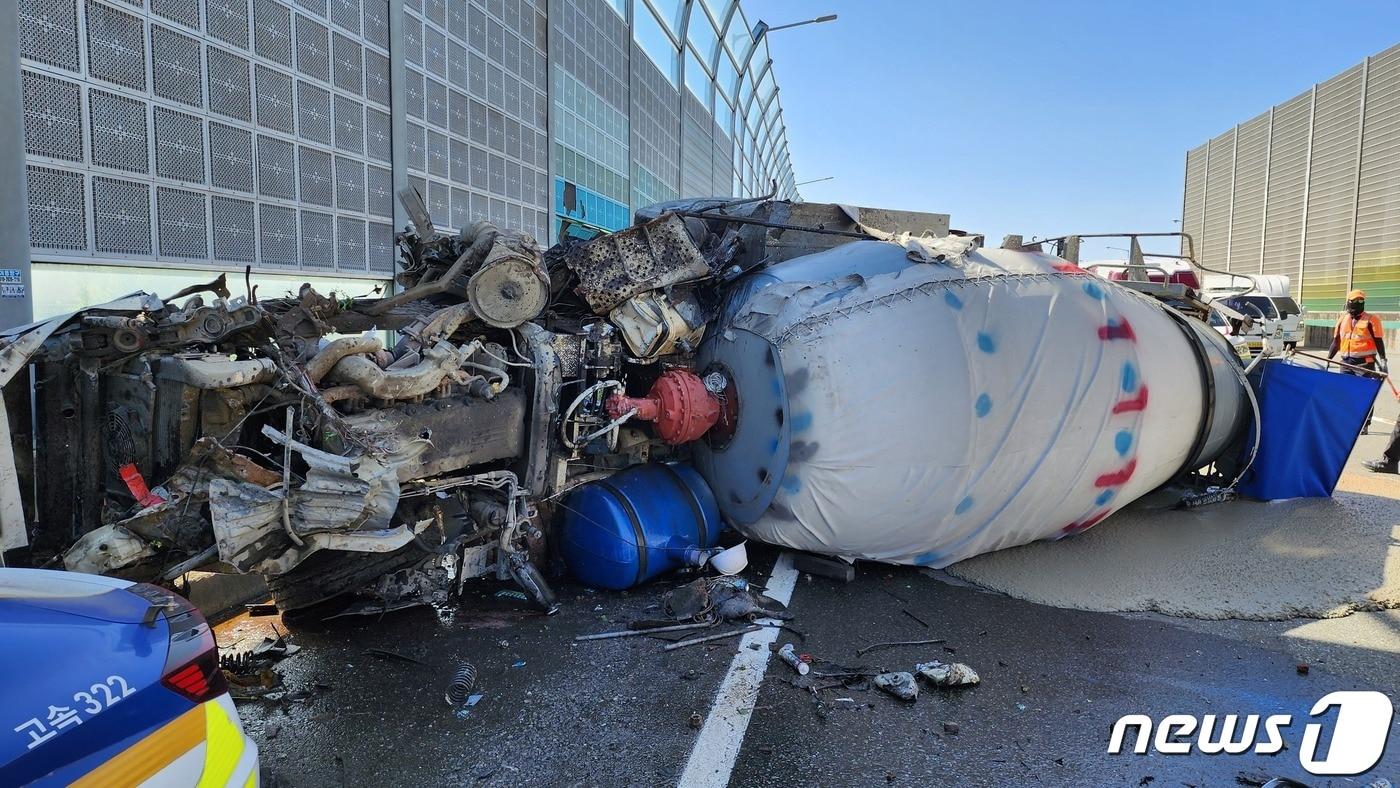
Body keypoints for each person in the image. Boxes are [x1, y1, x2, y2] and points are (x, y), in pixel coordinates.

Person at [1328, 289, 1387, 434]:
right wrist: (1328, 359)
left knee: (1364, 394)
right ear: (1348, 302)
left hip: (1364, 363)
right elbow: (1336, 342)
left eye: (1361, 301)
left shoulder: (1372, 320)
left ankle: (1365, 424)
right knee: (1345, 393)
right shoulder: (1342, 320)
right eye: (1355, 301)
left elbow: (1379, 342)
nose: (1358, 304)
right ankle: (1347, 421)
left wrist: (1384, 360)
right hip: (1346, 363)